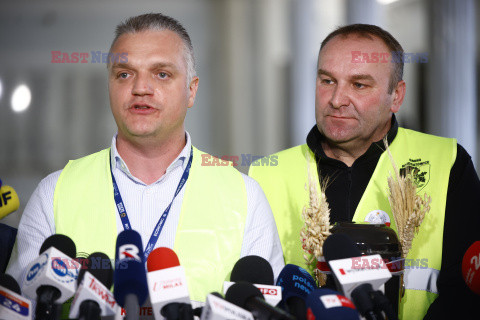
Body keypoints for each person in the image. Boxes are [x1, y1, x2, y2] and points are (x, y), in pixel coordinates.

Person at [7, 13, 284, 307]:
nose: (141, 88)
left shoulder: (245, 197)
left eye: (161, 74)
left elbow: (265, 309)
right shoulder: (53, 193)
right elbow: (17, 307)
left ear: (191, 90)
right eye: (124, 74)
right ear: (110, 85)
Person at [249, 24, 480, 319]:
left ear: (396, 96)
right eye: (327, 80)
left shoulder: (447, 163)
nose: (336, 99)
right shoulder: (265, 174)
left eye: (359, 85)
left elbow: (468, 292)